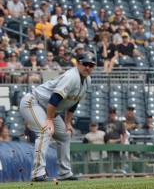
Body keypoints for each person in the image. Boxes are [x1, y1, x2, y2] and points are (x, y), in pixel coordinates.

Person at [18, 52, 96, 181]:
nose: (88, 67)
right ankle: (38, 174)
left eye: (91, 65)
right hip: (33, 102)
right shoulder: (71, 77)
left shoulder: (87, 80)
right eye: (85, 64)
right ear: (78, 63)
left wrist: (68, 122)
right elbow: (55, 98)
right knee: (46, 131)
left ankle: (65, 173)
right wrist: (49, 119)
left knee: (65, 135)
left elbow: (74, 102)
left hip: (50, 108)